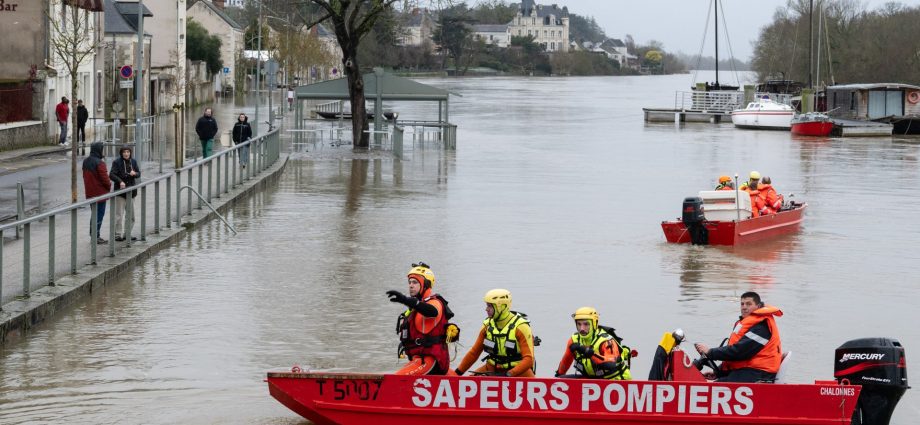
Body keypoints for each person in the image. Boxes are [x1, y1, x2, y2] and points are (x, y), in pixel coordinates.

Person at [694, 291, 783, 383]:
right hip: (750, 371)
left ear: (758, 306)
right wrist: (718, 372)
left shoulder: (761, 327)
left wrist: (710, 352)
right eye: (742, 304)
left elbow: (739, 351)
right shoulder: (751, 323)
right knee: (713, 382)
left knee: (716, 386)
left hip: (759, 373)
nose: (744, 307)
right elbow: (738, 355)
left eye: (748, 304)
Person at [387, 262, 453, 375]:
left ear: (426, 284)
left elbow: (432, 311)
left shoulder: (435, 302)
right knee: (395, 376)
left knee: (394, 380)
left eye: (415, 282)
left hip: (431, 360)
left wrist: (406, 300)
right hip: (418, 359)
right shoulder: (415, 308)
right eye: (409, 282)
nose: (411, 285)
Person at [454, 289, 536, 377]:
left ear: (502, 306)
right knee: (467, 382)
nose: (486, 309)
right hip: (492, 368)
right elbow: (474, 353)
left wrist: (508, 374)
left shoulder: (521, 326)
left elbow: (529, 360)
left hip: (518, 371)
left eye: (489, 306)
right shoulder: (487, 326)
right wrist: (456, 374)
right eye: (487, 305)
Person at [555, 307, 632, 380]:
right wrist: (558, 376)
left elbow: (611, 364)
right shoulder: (574, 340)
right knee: (560, 380)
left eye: (586, 324)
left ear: (594, 324)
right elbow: (566, 360)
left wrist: (588, 352)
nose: (582, 329)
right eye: (579, 324)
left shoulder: (606, 340)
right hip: (593, 378)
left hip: (616, 379)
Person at [82, 142, 111, 244]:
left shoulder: (86, 161)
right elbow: (105, 179)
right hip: (100, 193)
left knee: (94, 214)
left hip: (90, 192)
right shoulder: (100, 163)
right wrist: (109, 186)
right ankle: (96, 236)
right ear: (99, 150)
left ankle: (93, 235)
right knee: (99, 215)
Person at [109, 146, 140, 242]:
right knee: (119, 215)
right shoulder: (117, 162)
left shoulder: (133, 162)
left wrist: (135, 174)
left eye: (128, 152)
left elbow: (139, 173)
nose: (126, 154)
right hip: (121, 192)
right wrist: (120, 181)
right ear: (121, 153)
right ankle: (118, 234)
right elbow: (111, 174)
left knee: (131, 216)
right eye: (124, 152)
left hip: (131, 192)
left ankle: (127, 234)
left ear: (130, 153)